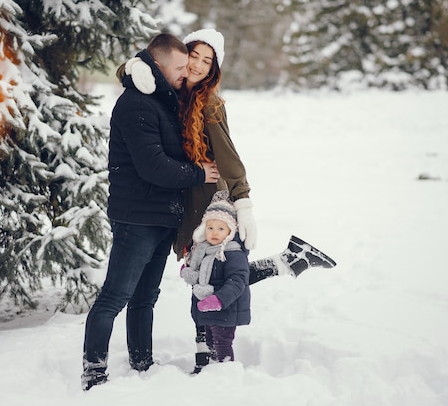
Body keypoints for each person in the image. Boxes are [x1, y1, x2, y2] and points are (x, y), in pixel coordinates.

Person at [125, 28, 337, 373]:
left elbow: (228, 156)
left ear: (213, 70)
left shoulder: (209, 104)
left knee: (212, 273)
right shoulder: (172, 90)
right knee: (207, 272)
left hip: (210, 198)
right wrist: (130, 70)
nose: (197, 65)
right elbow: (142, 68)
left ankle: (206, 357)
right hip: (185, 195)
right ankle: (290, 259)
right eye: (194, 55)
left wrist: (243, 204)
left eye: (207, 62)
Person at [81, 33, 221, 391]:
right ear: (157, 66)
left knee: (145, 298)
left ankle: (141, 363)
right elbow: (153, 166)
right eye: (178, 66)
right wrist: (198, 173)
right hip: (136, 218)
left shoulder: (164, 100)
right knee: (115, 295)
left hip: (161, 217)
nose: (184, 71)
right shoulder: (136, 104)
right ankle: (93, 371)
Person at [180, 190, 251, 371]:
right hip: (209, 311)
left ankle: (227, 373)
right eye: (210, 227)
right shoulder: (205, 250)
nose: (214, 233)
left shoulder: (233, 253)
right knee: (211, 342)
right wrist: (189, 272)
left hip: (226, 309)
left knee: (222, 345)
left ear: (230, 230)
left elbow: (237, 281)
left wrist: (218, 300)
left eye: (220, 228)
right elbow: (203, 275)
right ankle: (213, 373)